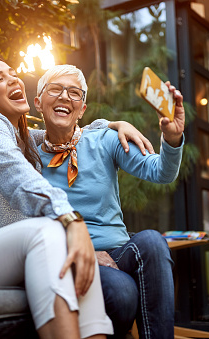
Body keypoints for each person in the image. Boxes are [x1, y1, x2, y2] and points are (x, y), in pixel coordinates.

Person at [0, 55, 151, 339]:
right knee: (50, 230)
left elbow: (69, 132)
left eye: (12, 73)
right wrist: (72, 220)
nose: (12, 79)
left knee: (75, 266)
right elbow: (20, 181)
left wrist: (112, 124)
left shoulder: (23, 138)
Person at [34, 64, 185, 339]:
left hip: (120, 251)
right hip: (71, 255)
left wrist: (172, 138)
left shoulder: (104, 140)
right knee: (122, 292)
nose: (65, 97)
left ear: (82, 109)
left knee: (152, 241)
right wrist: (87, 252)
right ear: (38, 103)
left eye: (74, 93)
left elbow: (161, 172)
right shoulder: (27, 157)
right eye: (55, 90)